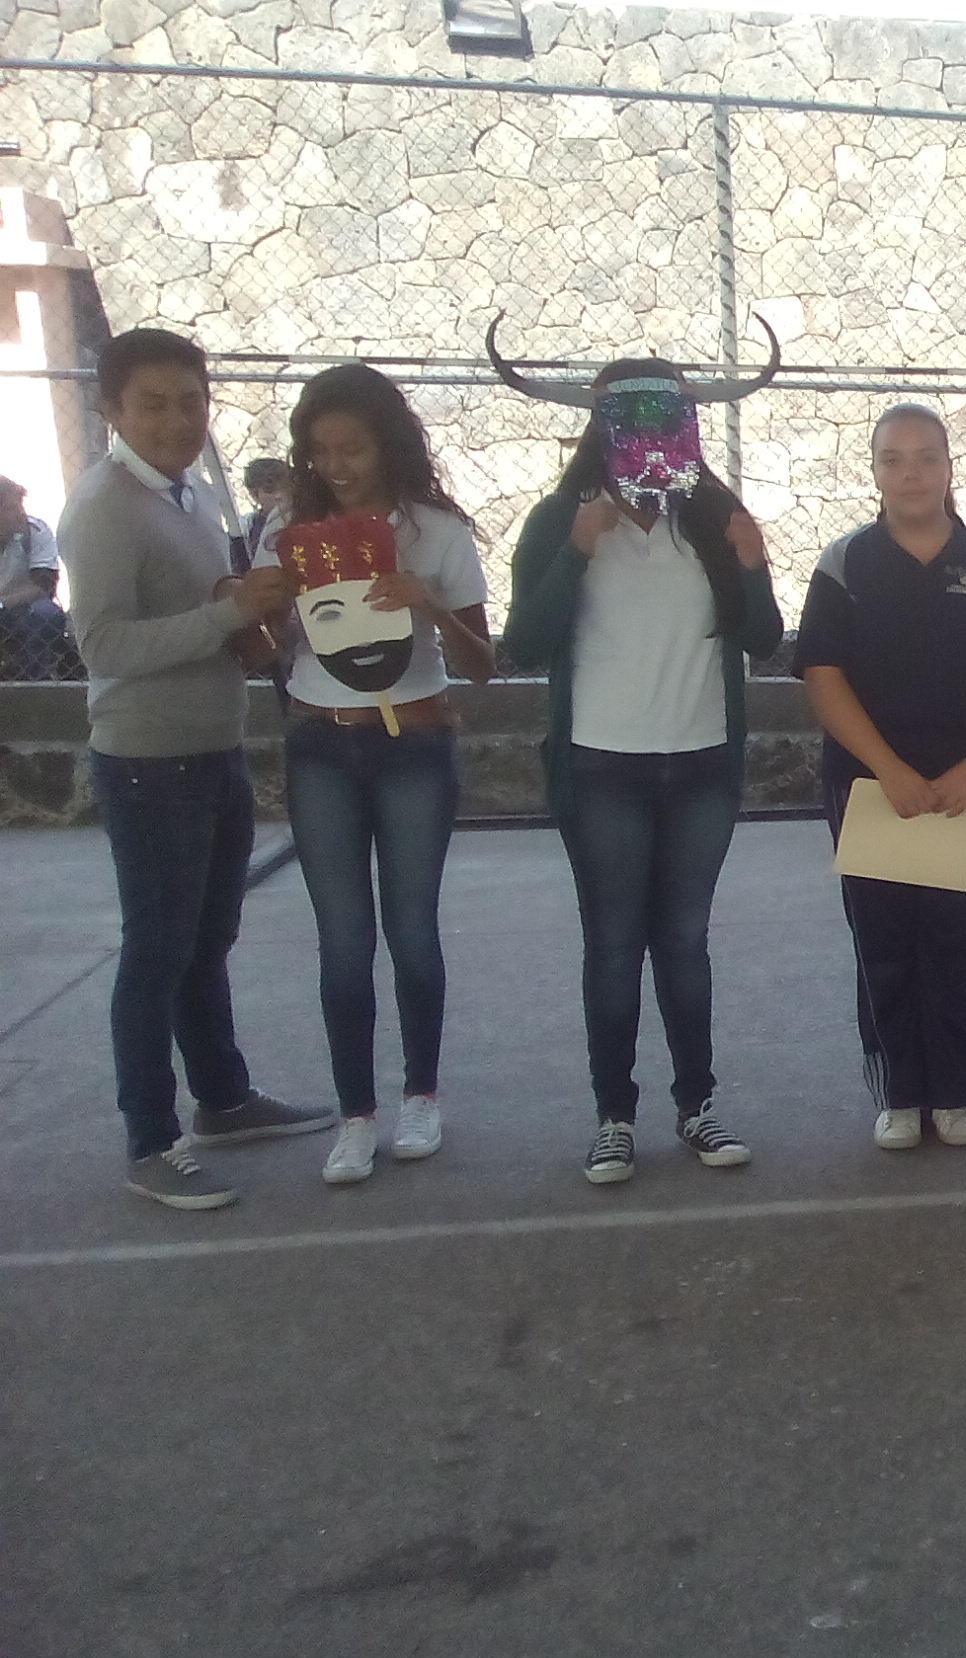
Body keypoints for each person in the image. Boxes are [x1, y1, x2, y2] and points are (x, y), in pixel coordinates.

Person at [56, 328, 330, 1209]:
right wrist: (227, 619)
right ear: (112, 410)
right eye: (153, 404)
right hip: (149, 763)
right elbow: (102, 646)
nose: (178, 420)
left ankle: (223, 1098)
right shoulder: (104, 507)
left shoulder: (186, 493)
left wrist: (248, 620)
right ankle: (150, 1139)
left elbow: (207, 612)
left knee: (205, 941)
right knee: (158, 951)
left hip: (211, 750)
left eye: (191, 401)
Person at [500, 349, 783, 1185]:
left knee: (686, 941)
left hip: (701, 763)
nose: (652, 437)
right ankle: (614, 1118)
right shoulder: (562, 519)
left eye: (671, 418)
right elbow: (525, 644)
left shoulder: (716, 518)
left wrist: (753, 564)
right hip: (602, 768)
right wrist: (577, 551)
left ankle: (698, 1104)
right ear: (601, 427)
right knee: (615, 944)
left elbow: (764, 639)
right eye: (631, 420)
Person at [254, 366, 494, 1186]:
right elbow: (260, 650)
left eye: (351, 448)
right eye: (319, 452)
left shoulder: (436, 530)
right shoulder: (288, 527)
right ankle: (354, 1114)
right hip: (320, 744)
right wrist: (263, 603)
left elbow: (484, 665)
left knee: (412, 929)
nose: (336, 466)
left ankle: (420, 1094)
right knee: (343, 938)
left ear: (388, 443)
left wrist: (427, 603)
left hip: (414, 743)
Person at [798, 404, 966, 1150]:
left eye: (926, 457)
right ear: (874, 471)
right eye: (893, 459)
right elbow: (822, 674)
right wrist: (889, 771)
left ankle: (954, 1094)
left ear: (948, 466)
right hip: (873, 790)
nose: (911, 473)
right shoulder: (844, 564)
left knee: (962, 939)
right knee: (883, 941)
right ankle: (901, 1094)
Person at [0, 474, 77, 680]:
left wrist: (3, 603)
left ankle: (33, 680)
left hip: (21, 608)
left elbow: (44, 586)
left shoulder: (35, 531)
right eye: (11, 508)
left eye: (21, 505)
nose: (20, 513)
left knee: (46, 615)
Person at [239, 456, 289, 563]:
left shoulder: (304, 519)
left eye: (285, 488)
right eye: (270, 490)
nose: (279, 495)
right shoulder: (247, 528)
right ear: (255, 494)